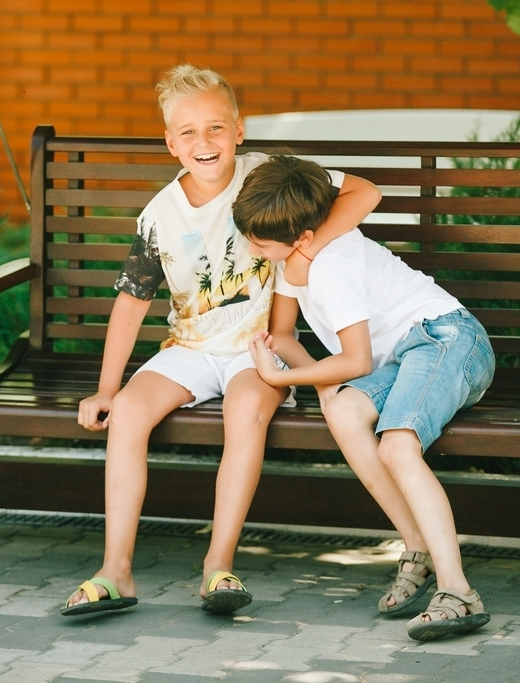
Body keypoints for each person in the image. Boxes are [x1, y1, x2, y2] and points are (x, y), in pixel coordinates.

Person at [61, 66, 381, 617]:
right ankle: (116, 569)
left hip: (259, 346)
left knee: (245, 410)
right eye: (187, 132)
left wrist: (307, 247)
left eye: (215, 128)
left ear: (239, 130)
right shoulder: (159, 216)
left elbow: (364, 191)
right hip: (188, 345)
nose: (202, 142)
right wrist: (107, 388)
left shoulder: (268, 175)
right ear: (169, 143)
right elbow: (132, 302)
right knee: (131, 412)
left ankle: (219, 564)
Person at [232, 154, 496, 641]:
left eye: (259, 242)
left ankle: (457, 591)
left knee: (397, 445)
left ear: (304, 237)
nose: (251, 247)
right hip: (401, 360)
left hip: (447, 340)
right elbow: (285, 332)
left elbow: (355, 360)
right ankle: (415, 543)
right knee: (343, 409)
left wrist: (280, 378)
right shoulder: (297, 257)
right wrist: (318, 380)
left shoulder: (330, 265)